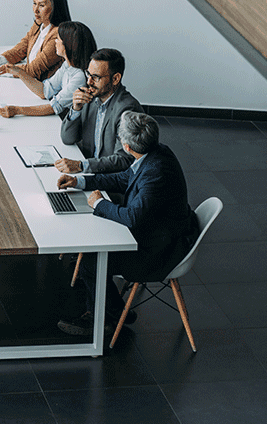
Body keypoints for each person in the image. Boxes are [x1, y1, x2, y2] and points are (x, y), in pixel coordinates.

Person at [56, 111, 199, 335]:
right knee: (93, 253)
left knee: (92, 262)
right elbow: (123, 178)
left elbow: (132, 217)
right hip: (163, 233)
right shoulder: (156, 153)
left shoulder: (155, 173)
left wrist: (99, 204)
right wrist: (80, 181)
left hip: (160, 251)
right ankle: (116, 311)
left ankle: (100, 320)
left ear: (127, 146)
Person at [55, 48, 144, 175]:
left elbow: (123, 160)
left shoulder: (127, 110)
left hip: (109, 180)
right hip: (89, 172)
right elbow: (67, 138)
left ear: (115, 79)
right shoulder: (90, 98)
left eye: (95, 77)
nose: (89, 82)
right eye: (88, 74)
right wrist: (76, 108)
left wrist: (81, 165)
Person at [0, 21, 97, 119]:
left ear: (68, 45)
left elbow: (53, 107)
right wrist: (19, 73)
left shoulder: (79, 76)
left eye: (57, 39)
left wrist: (17, 110)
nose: (55, 42)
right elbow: (45, 91)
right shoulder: (67, 65)